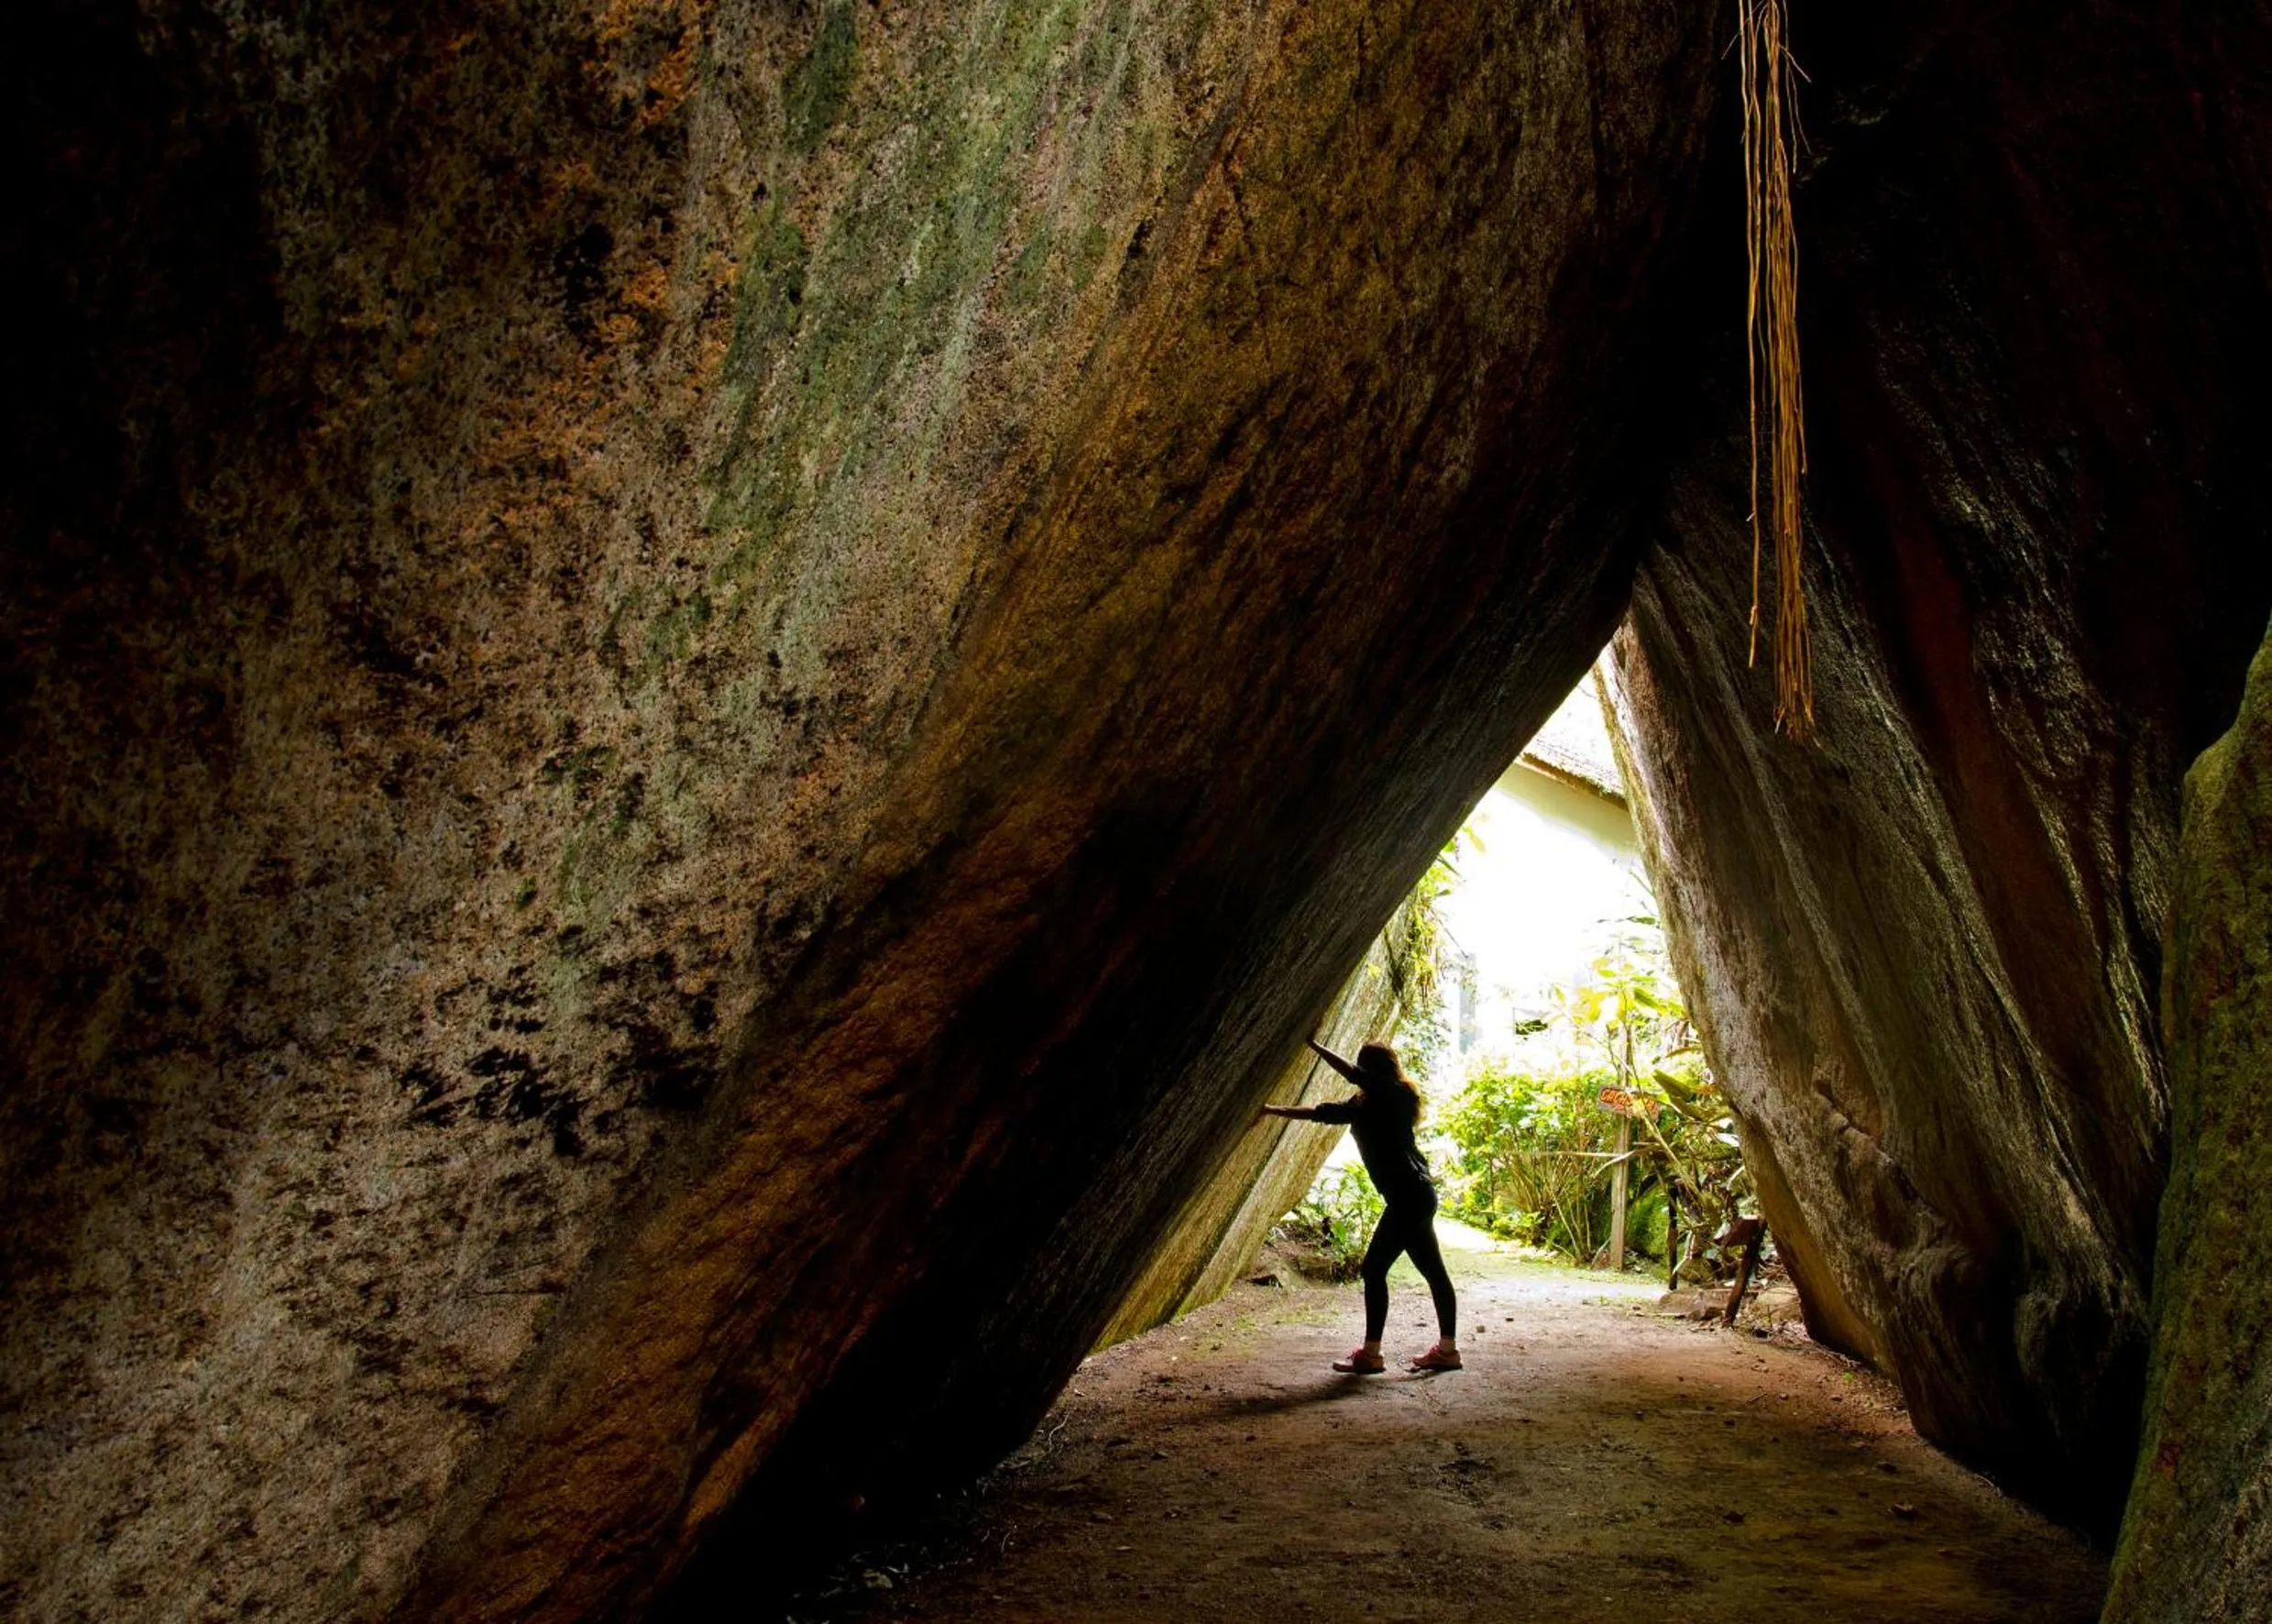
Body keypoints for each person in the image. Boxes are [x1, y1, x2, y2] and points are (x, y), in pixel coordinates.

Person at [1259, 1039, 1460, 1374]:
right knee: (1434, 1273)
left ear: (1374, 1070)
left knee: (1374, 1270)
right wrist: (1273, 1110)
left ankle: (1371, 1355)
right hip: (1415, 1197)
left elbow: (1354, 1076)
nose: (1359, 1073)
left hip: (1409, 1197)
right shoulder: (1370, 1104)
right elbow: (1321, 1113)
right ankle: (1447, 1351)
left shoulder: (1395, 1094)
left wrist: (1312, 1044)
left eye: (1363, 1068)